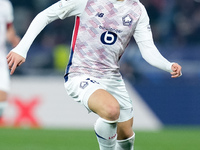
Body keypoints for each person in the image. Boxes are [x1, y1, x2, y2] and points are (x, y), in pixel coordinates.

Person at [7, 0, 182, 149]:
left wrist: (168, 65)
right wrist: (22, 48)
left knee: (126, 137)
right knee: (111, 110)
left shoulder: (137, 9)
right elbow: (45, 15)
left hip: (112, 77)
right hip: (81, 73)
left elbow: (148, 50)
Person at [0, 0, 20, 120]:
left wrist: (14, 40)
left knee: (2, 102)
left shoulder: (5, 4)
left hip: (1, 56)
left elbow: (8, 29)